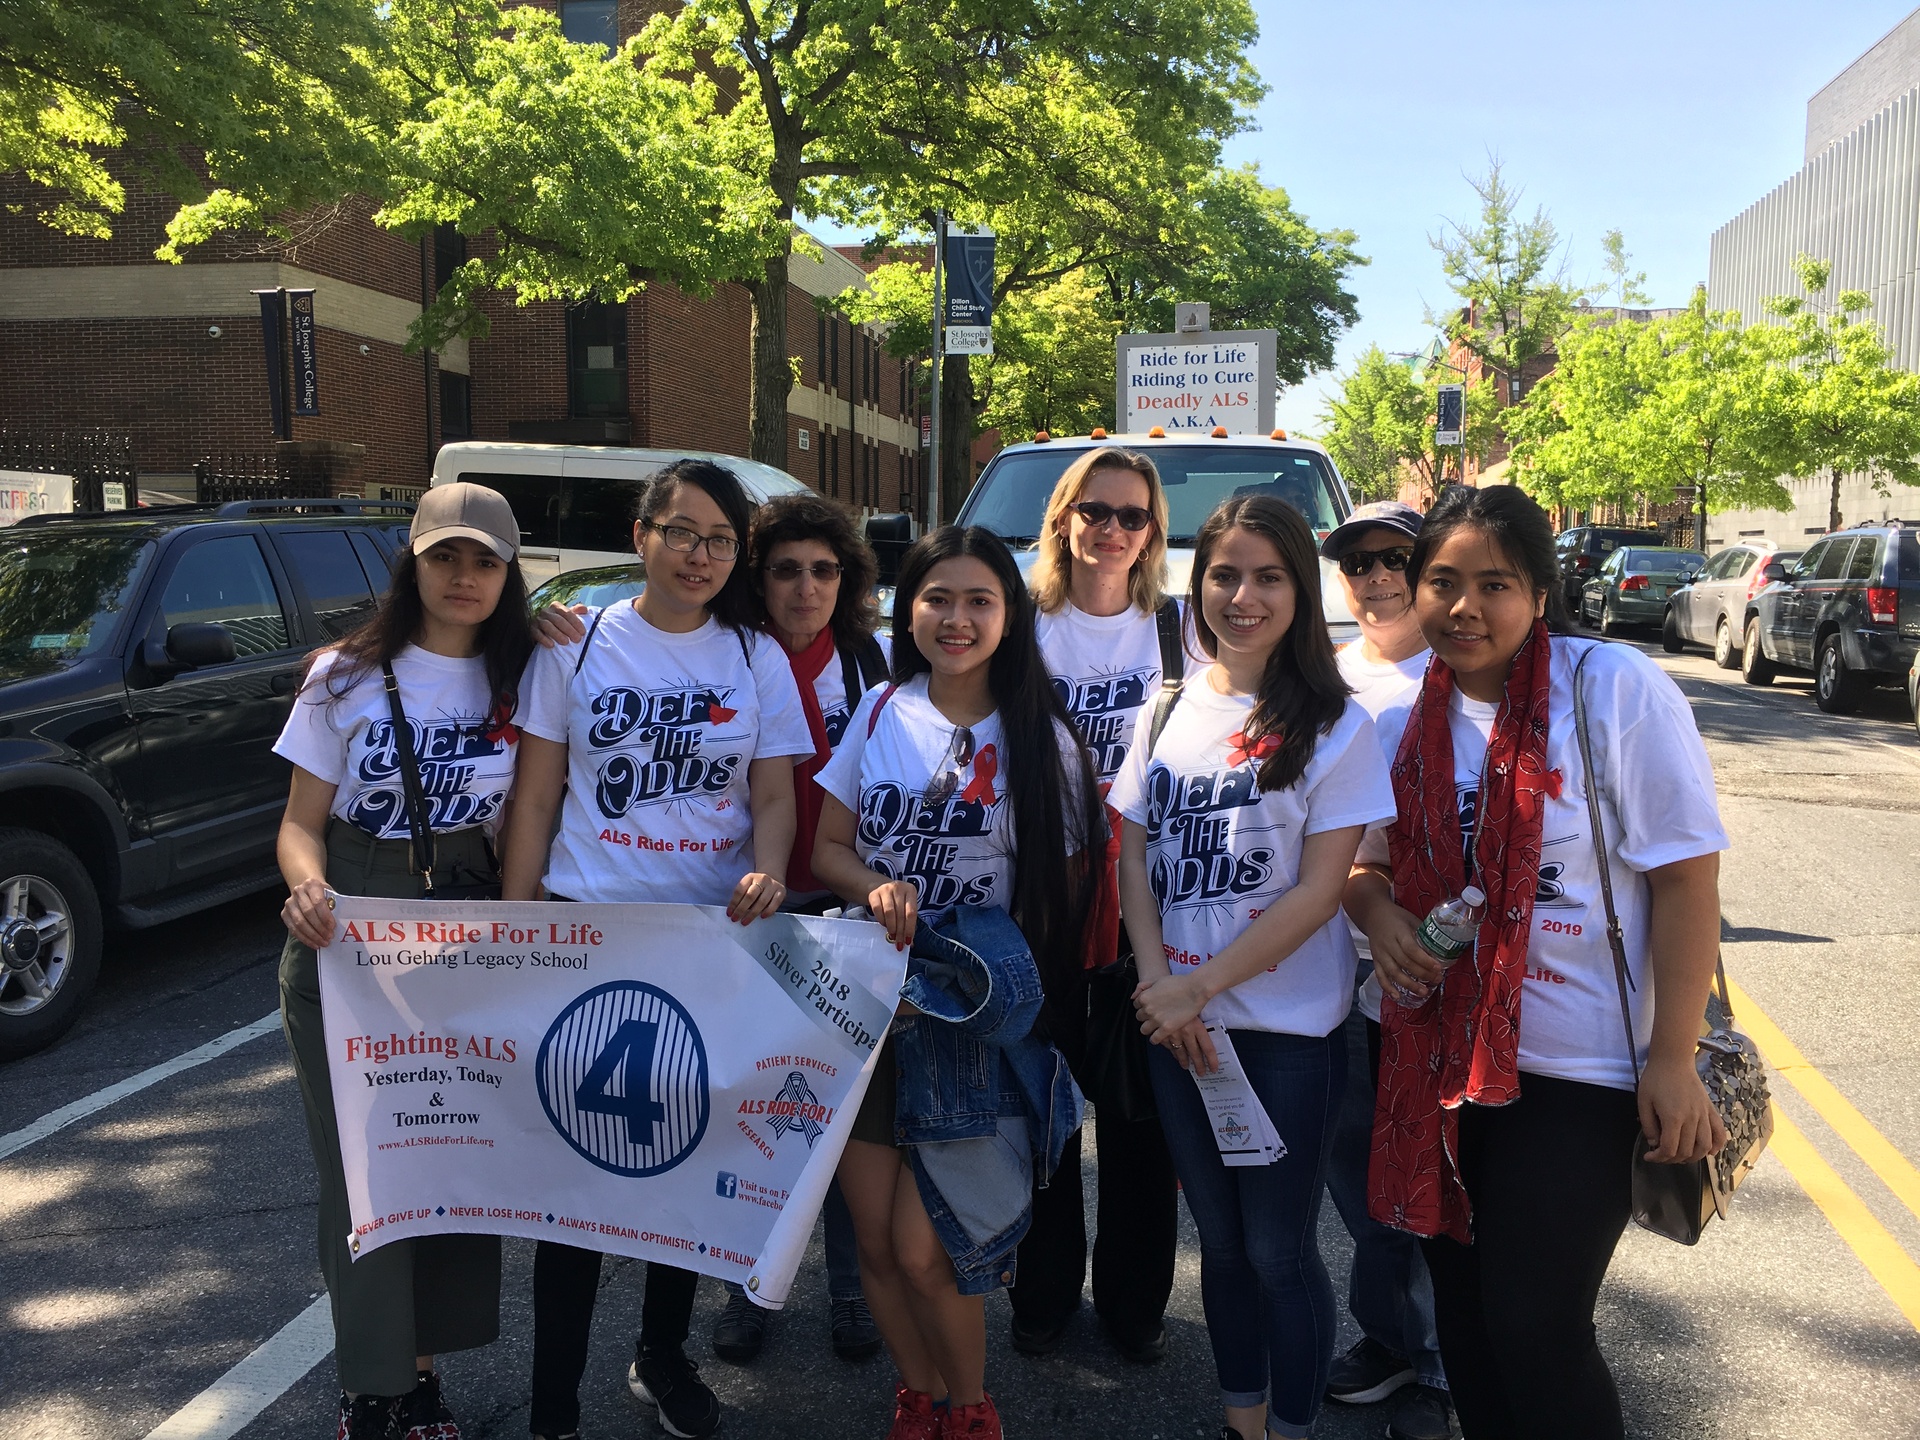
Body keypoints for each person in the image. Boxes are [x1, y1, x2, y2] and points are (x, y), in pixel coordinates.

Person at [1344, 484, 1728, 1440]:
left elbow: (1686, 880)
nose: (1464, 606)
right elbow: (1363, 865)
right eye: (1442, 581)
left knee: (1538, 1327)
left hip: (1578, 1069)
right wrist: (1377, 912)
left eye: (1495, 584)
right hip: (1435, 1068)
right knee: (1467, 1328)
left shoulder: (1610, 690)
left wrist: (1672, 1058)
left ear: (1540, 596)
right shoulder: (1396, 722)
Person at [501, 459, 816, 1440]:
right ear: (641, 535)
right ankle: (553, 1404)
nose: (701, 555)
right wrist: (517, 926)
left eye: (721, 540)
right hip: (589, 931)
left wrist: (767, 869)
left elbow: (774, 795)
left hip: (706, 942)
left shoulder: (754, 657)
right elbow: (539, 795)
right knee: (575, 1185)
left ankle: (663, 1357)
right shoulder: (578, 646)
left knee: (685, 1169)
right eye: (682, 532)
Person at [1110, 495, 1396, 1440]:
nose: (1244, 595)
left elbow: (1320, 893)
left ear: (1300, 595)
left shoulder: (1335, 726)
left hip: (1284, 1040)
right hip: (1177, 1031)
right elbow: (1135, 859)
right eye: (1225, 575)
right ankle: (1243, 1420)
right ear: (1200, 588)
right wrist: (1162, 990)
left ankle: (1295, 1424)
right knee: (1221, 1248)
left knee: (1278, 1251)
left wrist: (1198, 985)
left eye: (1269, 576)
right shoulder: (1164, 712)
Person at [812, 526, 1104, 1440]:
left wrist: (1003, 998)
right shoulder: (877, 713)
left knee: (927, 1251)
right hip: (869, 1009)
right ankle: (919, 1399)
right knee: (873, 1249)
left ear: (1010, 616)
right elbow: (827, 848)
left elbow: (1060, 905)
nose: (957, 617)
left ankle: (971, 1411)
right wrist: (874, 886)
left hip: (974, 1021)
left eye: (980, 599)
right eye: (937, 598)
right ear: (909, 610)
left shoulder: (1045, 740)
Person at [273, 483, 533, 1440]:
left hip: (467, 920)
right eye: (445, 558)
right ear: (412, 562)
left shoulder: (527, 674)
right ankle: (373, 1391)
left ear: (511, 575)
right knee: (362, 1169)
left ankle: (422, 1378)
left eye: (486, 562)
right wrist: (308, 890)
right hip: (349, 926)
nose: (464, 578)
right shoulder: (341, 675)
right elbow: (300, 826)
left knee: (452, 1150)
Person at [1010, 446, 1196, 1364]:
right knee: (1040, 1100)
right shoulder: (1019, 624)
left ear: (1153, 532)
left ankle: (1133, 1302)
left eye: (1132, 516)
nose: (1112, 530)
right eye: (1095, 511)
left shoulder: (1182, 632)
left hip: (1144, 896)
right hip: (1037, 890)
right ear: (1063, 520)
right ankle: (1041, 1290)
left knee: (1138, 1111)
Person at [708, 491, 888, 1365]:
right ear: (758, 579)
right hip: (749, 910)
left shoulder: (873, 662)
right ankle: (749, 1287)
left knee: (847, 1112)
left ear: (846, 579)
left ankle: (851, 1290)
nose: (806, 588)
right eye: (785, 570)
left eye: (824, 570)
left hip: (846, 909)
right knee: (753, 1107)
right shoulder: (726, 658)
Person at [1315, 502, 1453, 1440]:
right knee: (1357, 1170)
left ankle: (1442, 1353)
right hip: (1329, 968)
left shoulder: (1460, 670)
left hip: (1444, 974)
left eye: (1393, 558)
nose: (1374, 578)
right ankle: (1397, 1335)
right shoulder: (1320, 680)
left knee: (1435, 1170)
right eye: (1355, 562)